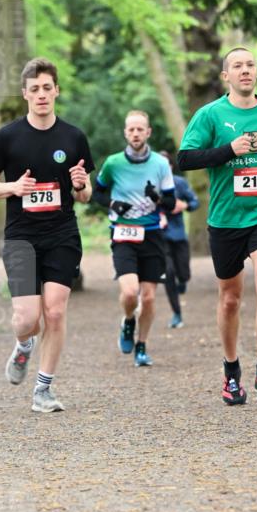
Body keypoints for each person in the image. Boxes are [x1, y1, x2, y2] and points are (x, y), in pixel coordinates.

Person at [177, 47, 257, 405]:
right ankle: (232, 371)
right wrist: (229, 150)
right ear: (225, 76)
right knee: (230, 299)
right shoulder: (211, 114)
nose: (245, 71)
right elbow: (185, 158)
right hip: (225, 218)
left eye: (250, 65)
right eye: (237, 66)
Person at [0, 57, 94, 413]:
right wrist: (14, 187)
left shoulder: (73, 137)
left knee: (55, 313)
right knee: (27, 319)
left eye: (47, 88)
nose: (41, 95)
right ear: (25, 94)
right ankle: (24, 345)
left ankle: (43, 390)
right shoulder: (8, 137)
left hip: (62, 234)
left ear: (56, 91)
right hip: (22, 237)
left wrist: (80, 185)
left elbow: (85, 193)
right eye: (35, 90)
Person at [92, 111, 176, 367]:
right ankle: (128, 320)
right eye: (131, 130)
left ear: (148, 132)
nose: (136, 134)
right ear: (125, 133)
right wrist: (113, 203)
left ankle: (142, 345)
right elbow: (98, 193)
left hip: (152, 235)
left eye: (140, 129)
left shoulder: (161, 165)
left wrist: (156, 198)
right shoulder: (114, 163)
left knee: (149, 298)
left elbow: (171, 203)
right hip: (123, 234)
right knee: (130, 293)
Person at [159, 151, 199, 329]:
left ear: (170, 166)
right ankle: (177, 313)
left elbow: (195, 202)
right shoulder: (150, 184)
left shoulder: (180, 183)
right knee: (168, 273)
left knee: (183, 274)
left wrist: (184, 205)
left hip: (179, 236)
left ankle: (183, 281)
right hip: (159, 238)